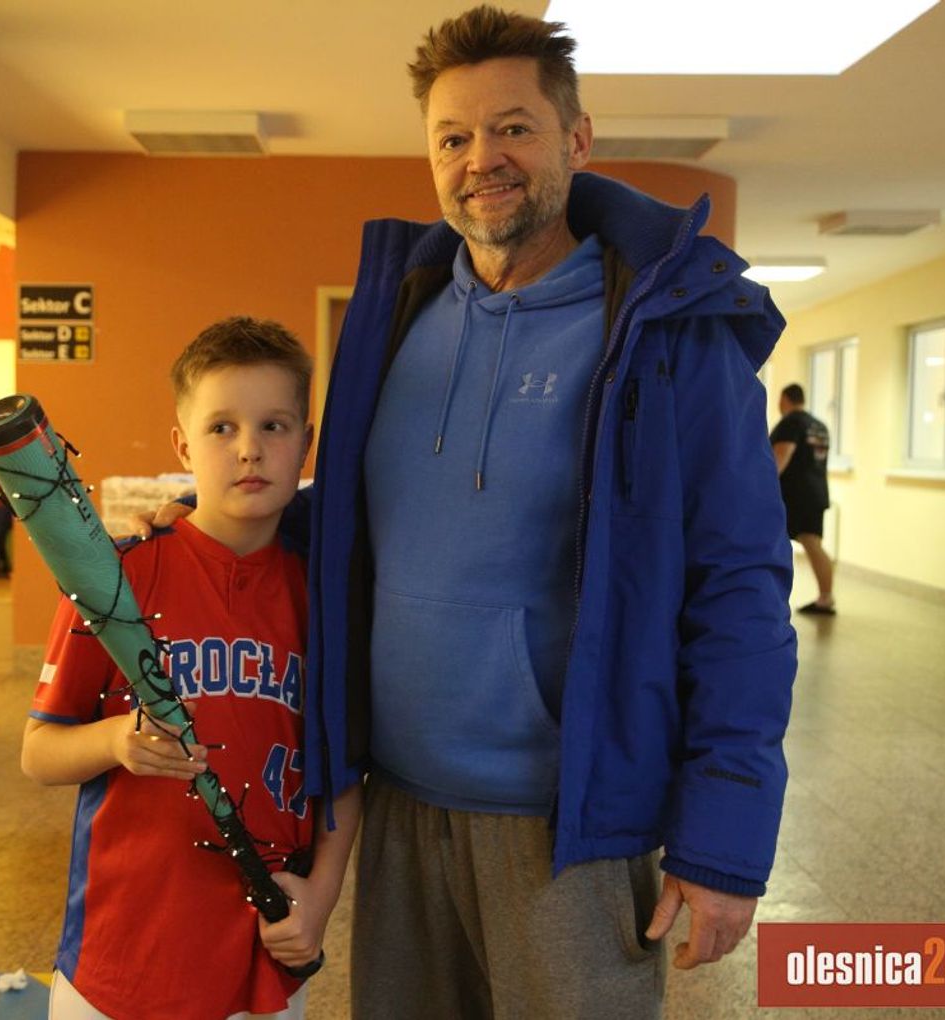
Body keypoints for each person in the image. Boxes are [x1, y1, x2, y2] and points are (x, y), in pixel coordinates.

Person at [301, 8, 796, 1017]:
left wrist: (724, 838)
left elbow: (740, 586)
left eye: (513, 128)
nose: (481, 158)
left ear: (577, 139)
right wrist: (198, 531)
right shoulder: (396, 314)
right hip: (397, 809)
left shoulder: (667, 332)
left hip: (571, 830)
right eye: (452, 136)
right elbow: (348, 529)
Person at [21, 317, 362, 1020]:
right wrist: (116, 741)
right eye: (221, 428)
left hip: (261, 952)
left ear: (306, 443)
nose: (249, 449)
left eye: (273, 426)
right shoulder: (116, 578)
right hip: (120, 961)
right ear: (182, 444)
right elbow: (39, 752)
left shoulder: (326, 599)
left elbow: (344, 776)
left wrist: (321, 898)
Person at [771, 383, 835, 614]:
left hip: (795, 497)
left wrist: (762, 488)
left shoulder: (791, 423)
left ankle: (772, 599)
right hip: (816, 493)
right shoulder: (819, 426)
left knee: (773, 543)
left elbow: (780, 459)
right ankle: (826, 597)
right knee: (814, 545)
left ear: (784, 399)